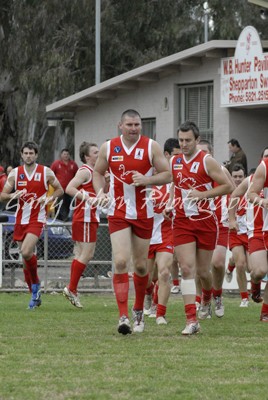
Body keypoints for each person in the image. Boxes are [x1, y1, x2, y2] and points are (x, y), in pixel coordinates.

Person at [93, 109, 172, 335]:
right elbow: (97, 173)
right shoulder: (109, 147)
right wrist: (100, 192)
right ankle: (123, 316)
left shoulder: (151, 146)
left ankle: (138, 310)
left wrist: (148, 179)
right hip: (118, 210)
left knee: (140, 266)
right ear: (120, 125)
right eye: (129, 125)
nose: (134, 128)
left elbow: (167, 175)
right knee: (119, 262)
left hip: (144, 212)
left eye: (137, 125)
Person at [165, 121, 233, 335]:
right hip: (182, 221)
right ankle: (191, 320)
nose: (183, 144)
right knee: (187, 269)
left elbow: (228, 186)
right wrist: (170, 203)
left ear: (197, 140)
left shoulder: (207, 161)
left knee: (204, 271)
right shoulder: (174, 161)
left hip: (205, 221)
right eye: (181, 140)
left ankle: (207, 297)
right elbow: (175, 184)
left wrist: (203, 195)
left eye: (187, 140)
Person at [0, 141, 63, 308]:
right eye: (26, 153)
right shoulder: (15, 173)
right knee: (25, 260)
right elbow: (2, 196)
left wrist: (48, 198)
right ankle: (34, 293)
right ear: (21, 154)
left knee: (26, 251)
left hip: (37, 218)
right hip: (20, 219)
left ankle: (35, 287)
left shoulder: (45, 171)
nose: (28, 156)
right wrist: (14, 195)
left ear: (36, 155)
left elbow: (60, 190)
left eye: (31, 153)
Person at [195, 139, 234, 318]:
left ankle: (217, 296)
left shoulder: (220, 170)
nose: (202, 155)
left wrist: (232, 216)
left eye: (205, 152)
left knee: (217, 263)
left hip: (220, 221)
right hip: (199, 221)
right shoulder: (192, 170)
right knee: (200, 267)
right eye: (199, 151)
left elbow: (232, 190)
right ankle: (202, 300)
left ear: (211, 154)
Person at [63, 142, 100, 308]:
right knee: (87, 254)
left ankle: (72, 290)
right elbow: (69, 188)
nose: (99, 155)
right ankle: (71, 288)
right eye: (95, 152)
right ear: (87, 157)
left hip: (88, 217)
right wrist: (87, 198)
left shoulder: (96, 172)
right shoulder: (85, 171)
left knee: (80, 254)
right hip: (85, 217)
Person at [247, 148, 268, 321]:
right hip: (259, 229)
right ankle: (254, 286)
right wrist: (262, 201)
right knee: (260, 271)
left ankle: (265, 312)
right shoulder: (264, 167)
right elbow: (248, 194)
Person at [228, 164, 250, 307]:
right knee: (241, 264)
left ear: (245, 177)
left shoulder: (251, 190)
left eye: (240, 177)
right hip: (235, 232)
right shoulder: (227, 191)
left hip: (249, 232)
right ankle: (244, 298)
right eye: (234, 177)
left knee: (250, 268)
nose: (237, 179)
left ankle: (230, 264)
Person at [163, 138, 181, 294]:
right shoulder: (160, 175)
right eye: (175, 155)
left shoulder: (181, 172)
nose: (178, 158)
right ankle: (175, 282)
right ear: (166, 155)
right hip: (162, 226)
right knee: (171, 258)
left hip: (181, 220)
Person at [50, 148, 78, 221]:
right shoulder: (56, 164)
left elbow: (77, 176)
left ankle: (69, 219)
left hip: (70, 189)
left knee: (70, 204)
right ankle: (61, 220)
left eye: (67, 154)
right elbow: (50, 174)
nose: (66, 156)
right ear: (61, 155)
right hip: (60, 189)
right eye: (64, 154)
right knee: (60, 205)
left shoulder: (73, 165)